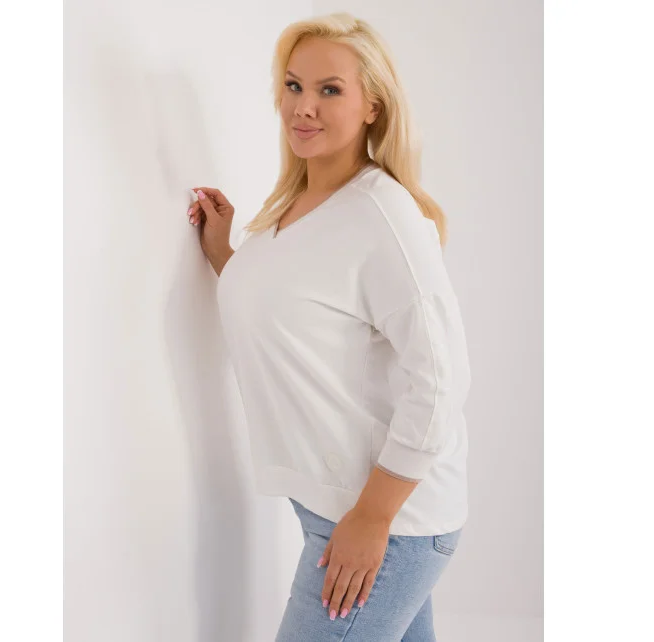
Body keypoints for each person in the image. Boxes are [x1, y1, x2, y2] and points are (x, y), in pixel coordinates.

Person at [188, 12, 471, 642]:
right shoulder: (293, 207)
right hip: (336, 507)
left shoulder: (384, 216)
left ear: (373, 105)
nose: (303, 107)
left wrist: (373, 518)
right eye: (293, 86)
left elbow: (441, 382)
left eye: (329, 90)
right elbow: (292, 312)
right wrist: (225, 256)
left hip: (389, 518)